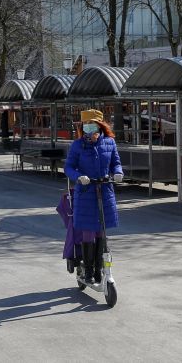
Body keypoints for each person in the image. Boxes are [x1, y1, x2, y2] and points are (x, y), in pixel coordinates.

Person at [63, 109, 123, 284]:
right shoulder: (77, 145)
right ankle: (88, 271)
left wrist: (118, 172)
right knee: (88, 231)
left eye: (93, 124)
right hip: (85, 193)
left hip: (104, 190)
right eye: (86, 125)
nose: (89, 128)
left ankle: (99, 269)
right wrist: (78, 177)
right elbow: (69, 167)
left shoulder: (110, 143)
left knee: (101, 232)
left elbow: (116, 163)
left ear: (100, 125)